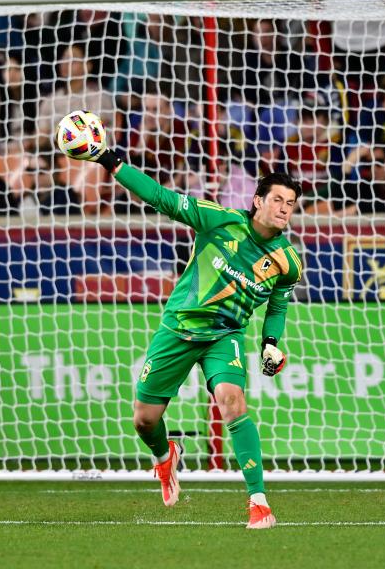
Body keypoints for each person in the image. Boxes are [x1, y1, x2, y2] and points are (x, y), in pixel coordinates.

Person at [63, 134, 304, 530]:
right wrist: (110, 159)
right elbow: (161, 198)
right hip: (178, 329)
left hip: (224, 336)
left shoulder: (286, 262)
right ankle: (165, 456)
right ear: (258, 200)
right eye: (277, 199)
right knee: (144, 419)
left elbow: (277, 305)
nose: (284, 209)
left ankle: (259, 503)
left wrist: (271, 343)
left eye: (290, 204)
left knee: (233, 402)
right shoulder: (219, 220)